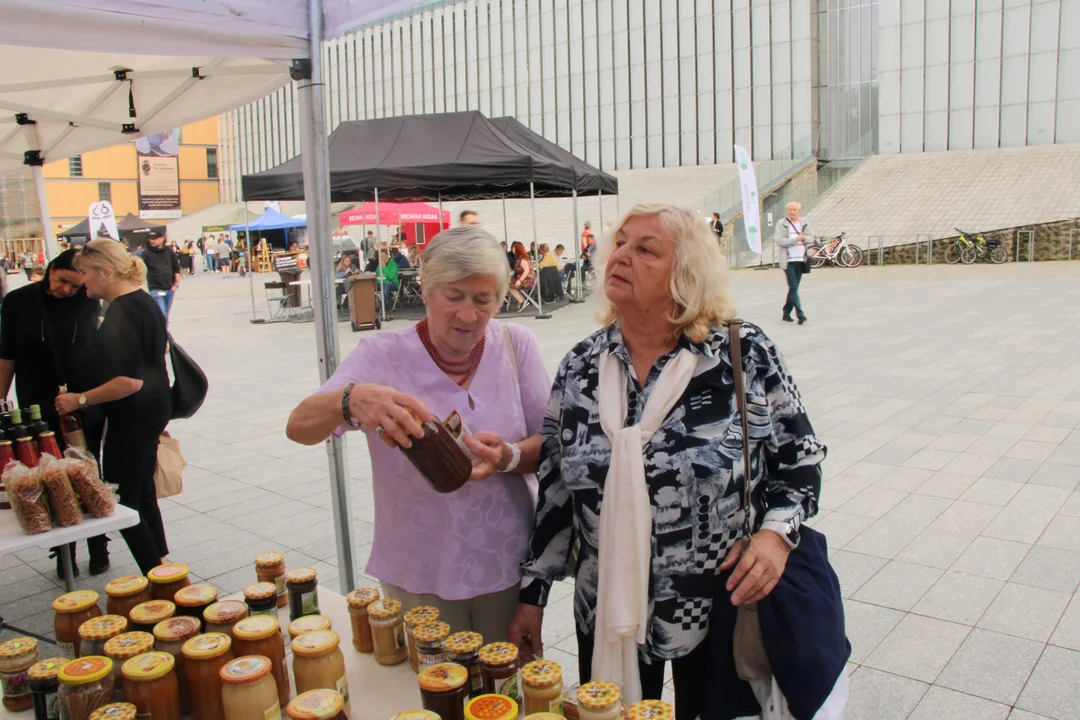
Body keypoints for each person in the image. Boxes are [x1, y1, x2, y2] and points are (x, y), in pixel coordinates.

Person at [507, 203, 826, 718]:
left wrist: (774, 538)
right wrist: (532, 595)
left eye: (646, 248)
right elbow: (557, 490)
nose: (622, 254)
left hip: (721, 606)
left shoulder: (743, 354)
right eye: (622, 243)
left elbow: (801, 460)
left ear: (686, 275)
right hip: (606, 604)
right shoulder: (581, 366)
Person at [286, 224, 551, 637]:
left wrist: (507, 457)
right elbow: (299, 427)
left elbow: (551, 444)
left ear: (500, 300)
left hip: (506, 563)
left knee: (504, 689)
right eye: (454, 297)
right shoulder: (381, 356)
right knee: (430, 688)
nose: (468, 314)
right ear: (425, 289)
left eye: (483, 300)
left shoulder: (517, 345)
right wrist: (350, 399)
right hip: (418, 567)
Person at [55, 240, 172, 575]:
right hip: (150, 411)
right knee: (143, 495)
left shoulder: (123, 309)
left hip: (133, 417)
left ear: (104, 271)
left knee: (123, 502)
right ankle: (163, 567)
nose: (82, 282)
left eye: (85, 273)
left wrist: (78, 399)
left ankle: (159, 577)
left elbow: (129, 382)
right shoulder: (143, 301)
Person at [0, 249, 109, 578]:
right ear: (50, 270)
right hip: (38, 403)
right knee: (49, 476)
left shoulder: (89, 300)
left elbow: (100, 348)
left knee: (87, 472)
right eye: (63, 281)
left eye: (76, 285)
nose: (68, 290)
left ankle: (97, 543)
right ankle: (63, 551)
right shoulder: (18, 302)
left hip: (82, 401)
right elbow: (6, 353)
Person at [775, 201, 810, 325]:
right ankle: (800, 314)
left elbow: (812, 237)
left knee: (793, 288)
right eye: (790, 209)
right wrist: (794, 240)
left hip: (801, 259)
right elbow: (779, 240)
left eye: (794, 210)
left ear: (798, 211)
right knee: (793, 286)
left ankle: (786, 312)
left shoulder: (804, 223)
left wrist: (804, 238)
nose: (791, 212)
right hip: (788, 260)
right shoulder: (782, 223)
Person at [142, 230, 181, 322]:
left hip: (169, 288)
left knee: (166, 314)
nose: (152, 241)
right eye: (150, 239)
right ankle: (160, 334)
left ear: (162, 239)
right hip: (155, 289)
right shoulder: (146, 253)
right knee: (161, 314)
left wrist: (176, 284)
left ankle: (163, 334)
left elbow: (176, 267)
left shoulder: (169, 251)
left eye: (155, 239)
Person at [508, 241, 535, 311]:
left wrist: (519, 281)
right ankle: (522, 301)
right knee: (511, 285)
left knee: (510, 286)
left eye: (513, 248)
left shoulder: (522, 259)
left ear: (517, 249)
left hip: (527, 280)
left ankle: (522, 301)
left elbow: (526, 271)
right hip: (526, 279)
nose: (512, 249)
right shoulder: (522, 258)